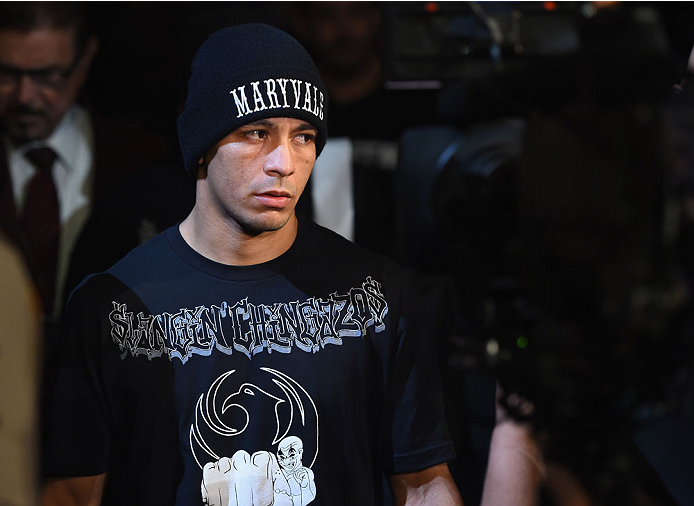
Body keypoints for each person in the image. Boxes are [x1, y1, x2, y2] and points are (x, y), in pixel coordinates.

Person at [42, 23, 463, 506]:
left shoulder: (376, 295)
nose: (283, 161)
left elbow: (424, 483)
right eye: (256, 133)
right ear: (201, 143)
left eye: (303, 137)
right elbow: (72, 493)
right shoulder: (113, 306)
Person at [0, 2, 169, 331]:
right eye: (5, 73)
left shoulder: (144, 161)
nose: (24, 96)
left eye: (47, 75)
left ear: (85, 59)